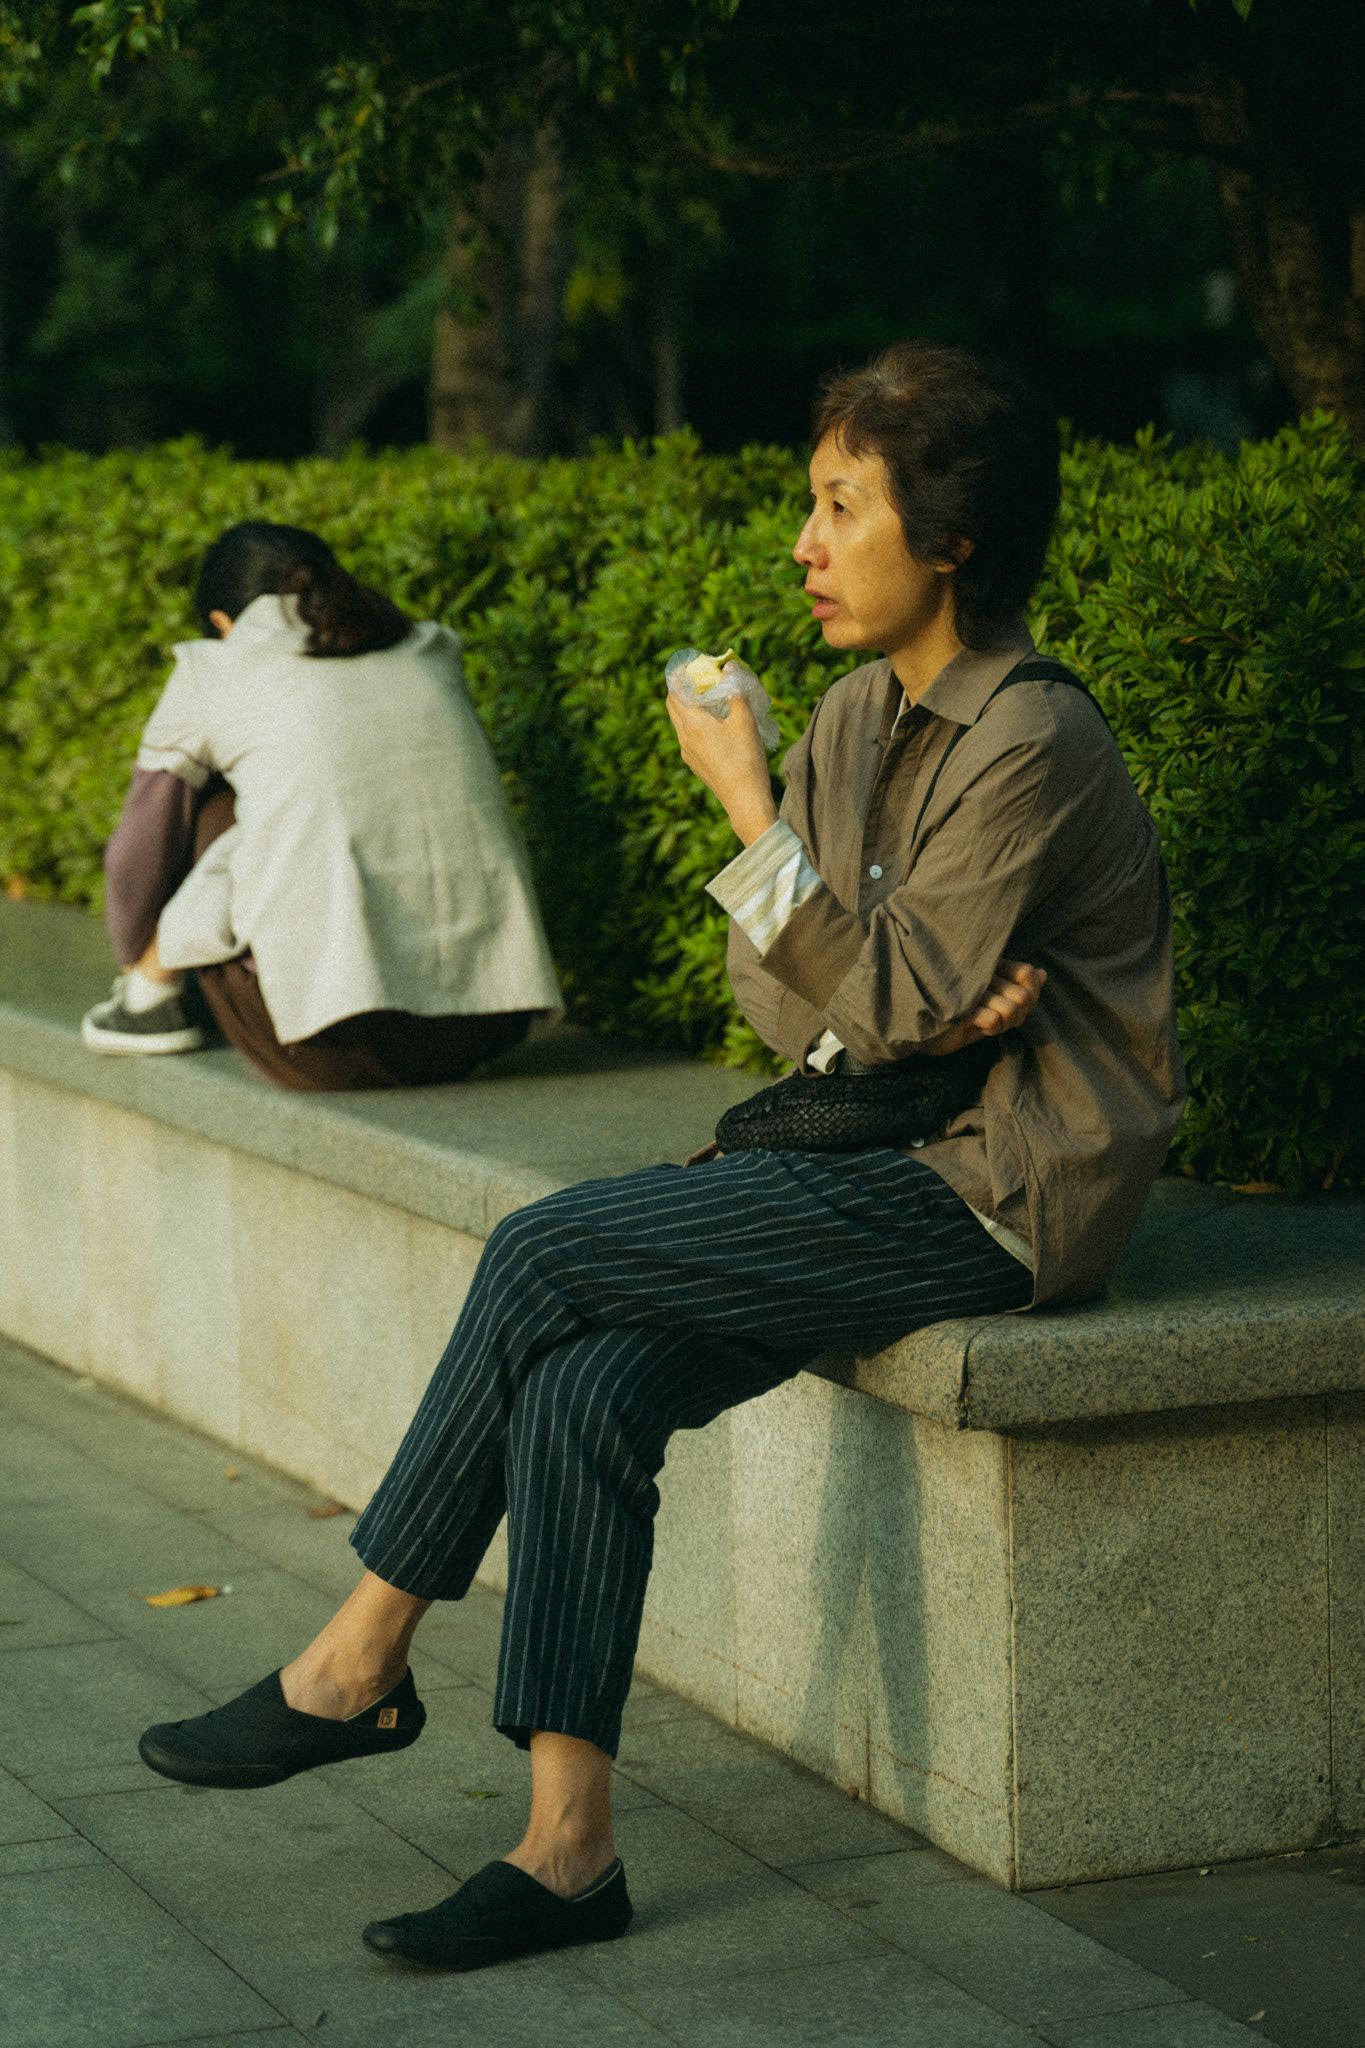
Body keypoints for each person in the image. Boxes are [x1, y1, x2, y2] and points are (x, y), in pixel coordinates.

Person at [133, 343, 1184, 1968]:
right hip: (865, 1141)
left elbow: (878, 995)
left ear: (954, 533)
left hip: (996, 1191)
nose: (804, 544)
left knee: (543, 1250)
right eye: (809, 505)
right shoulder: (852, 716)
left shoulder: (1030, 738)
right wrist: (868, 955)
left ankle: (354, 1666)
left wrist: (766, 834)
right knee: (583, 1380)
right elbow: (786, 999)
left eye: (843, 506)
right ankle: (569, 1850)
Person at [82, 522, 561, 1089]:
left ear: (221, 623)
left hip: (330, 1046)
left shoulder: (214, 668)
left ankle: (148, 1001)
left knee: (218, 808)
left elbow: (139, 846)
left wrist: (137, 958)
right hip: (486, 1027)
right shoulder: (430, 646)